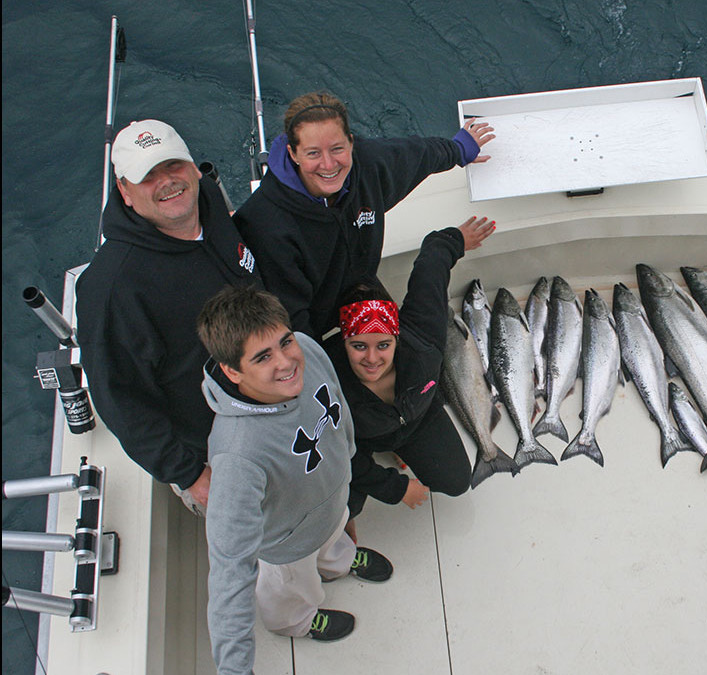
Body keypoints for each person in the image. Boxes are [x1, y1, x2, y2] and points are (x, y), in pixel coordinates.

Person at [196, 285, 393, 674]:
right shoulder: (237, 456)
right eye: (263, 357)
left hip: (332, 504)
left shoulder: (306, 347)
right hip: (285, 548)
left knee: (334, 543)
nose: (287, 362)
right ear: (233, 371)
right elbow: (229, 570)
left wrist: (348, 460)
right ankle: (297, 622)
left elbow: (335, 402)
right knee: (291, 591)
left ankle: (339, 562)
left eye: (284, 342)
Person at [75, 120, 262, 513]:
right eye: (147, 176)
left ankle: (334, 550)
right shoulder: (111, 291)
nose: (167, 182)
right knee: (270, 538)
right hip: (218, 446)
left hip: (276, 393)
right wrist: (191, 474)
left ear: (194, 167)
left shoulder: (206, 199)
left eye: (173, 165)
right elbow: (119, 400)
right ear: (124, 191)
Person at [233, 90, 495, 340]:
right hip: (314, 324)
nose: (328, 164)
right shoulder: (266, 223)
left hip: (363, 289)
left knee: (408, 362)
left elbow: (416, 155)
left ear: (351, 142)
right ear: (293, 153)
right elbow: (290, 318)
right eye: (313, 153)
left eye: (337, 148)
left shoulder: (368, 165)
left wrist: (459, 150)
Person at [326, 216, 494, 530]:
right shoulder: (325, 381)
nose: (372, 359)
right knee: (345, 507)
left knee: (458, 483)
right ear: (343, 340)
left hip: (419, 418)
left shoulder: (423, 334)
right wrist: (397, 488)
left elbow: (432, 264)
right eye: (358, 346)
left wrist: (455, 239)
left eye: (384, 345)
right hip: (360, 438)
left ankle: (399, 447)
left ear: (398, 336)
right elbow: (339, 454)